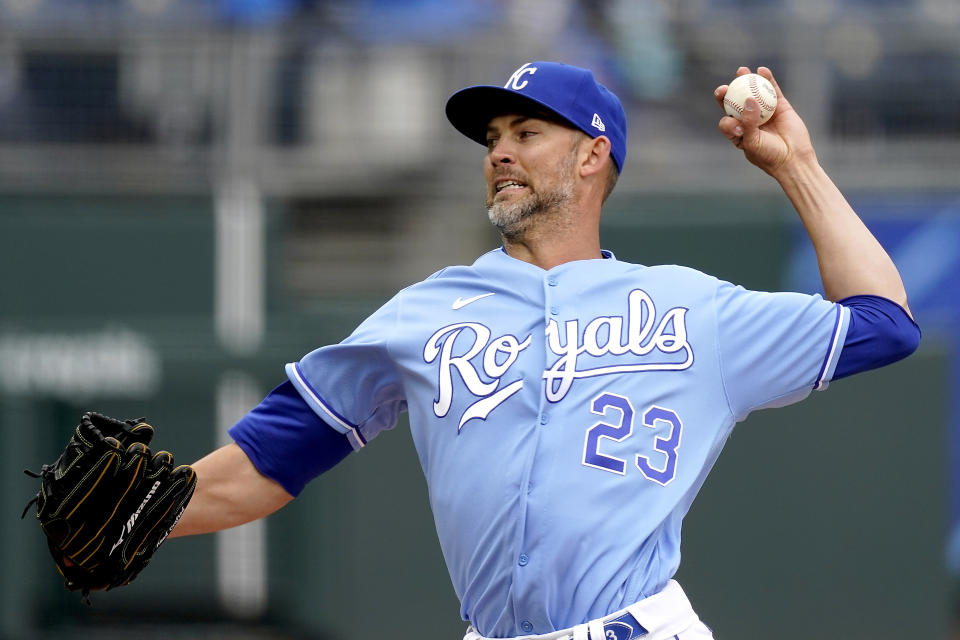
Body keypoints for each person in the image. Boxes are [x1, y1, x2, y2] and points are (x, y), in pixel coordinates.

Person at [169, 62, 920, 639]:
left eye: (526, 134)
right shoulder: (426, 311)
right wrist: (148, 515)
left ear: (592, 156)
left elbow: (884, 323)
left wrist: (795, 164)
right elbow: (273, 456)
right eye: (493, 138)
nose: (499, 152)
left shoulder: (693, 309)